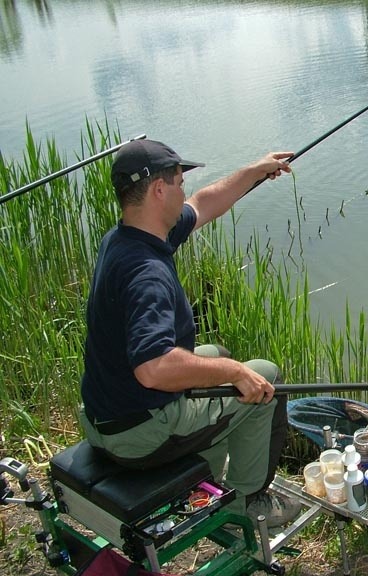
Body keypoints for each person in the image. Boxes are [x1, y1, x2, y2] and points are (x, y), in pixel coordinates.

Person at [79, 139, 301, 527]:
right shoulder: (145, 272)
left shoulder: (128, 237)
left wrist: (256, 170)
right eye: (178, 182)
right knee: (264, 377)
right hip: (137, 434)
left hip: (108, 415)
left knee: (213, 352)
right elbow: (154, 368)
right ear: (158, 190)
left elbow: (203, 204)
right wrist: (235, 372)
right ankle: (246, 504)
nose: (184, 191)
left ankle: (207, 471)